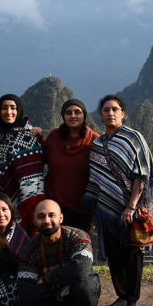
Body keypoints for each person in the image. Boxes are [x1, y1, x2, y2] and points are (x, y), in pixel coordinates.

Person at [83, 95, 153, 306]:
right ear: (101, 114)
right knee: (114, 256)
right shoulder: (97, 144)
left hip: (130, 208)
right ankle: (121, 295)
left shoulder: (134, 138)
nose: (110, 113)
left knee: (132, 254)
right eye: (106, 110)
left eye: (115, 109)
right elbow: (96, 178)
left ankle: (132, 302)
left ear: (122, 113)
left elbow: (141, 174)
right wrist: (96, 207)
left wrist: (131, 206)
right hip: (106, 209)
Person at [10, 199, 101, 306]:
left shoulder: (78, 236)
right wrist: (62, 285)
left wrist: (48, 278)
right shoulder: (29, 250)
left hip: (75, 293)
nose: (46, 220)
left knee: (85, 288)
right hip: (50, 297)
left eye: (51, 215)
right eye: (41, 217)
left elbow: (80, 271)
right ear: (34, 221)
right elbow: (25, 290)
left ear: (61, 218)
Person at [0, 94, 46, 235]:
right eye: (4, 108)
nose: (9, 112)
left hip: (22, 203)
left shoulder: (30, 136)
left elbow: (35, 175)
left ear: (19, 110)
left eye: (13, 108)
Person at [43, 99, 100, 236]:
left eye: (77, 112)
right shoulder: (53, 136)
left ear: (84, 115)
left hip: (83, 210)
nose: (73, 116)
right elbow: (39, 160)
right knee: (55, 252)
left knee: (80, 252)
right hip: (54, 207)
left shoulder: (95, 141)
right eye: (68, 113)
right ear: (63, 116)